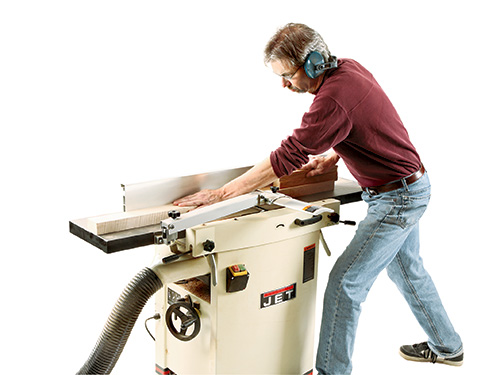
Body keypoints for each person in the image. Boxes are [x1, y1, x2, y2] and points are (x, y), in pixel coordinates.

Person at [174, 23, 463, 375]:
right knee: (409, 272)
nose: (284, 84)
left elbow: (288, 155)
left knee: (345, 284)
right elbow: (368, 122)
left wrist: (222, 194)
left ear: (312, 63)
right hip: (408, 187)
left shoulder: (333, 99)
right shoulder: (349, 70)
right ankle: (448, 348)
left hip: (397, 200)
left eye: (287, 75)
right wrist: (337, 154)